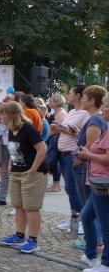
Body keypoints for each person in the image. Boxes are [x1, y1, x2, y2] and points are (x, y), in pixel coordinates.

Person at [0, 101, 48, 253]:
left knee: (31, 208)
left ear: (11, 115)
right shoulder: (11, 129)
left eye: (2, 114)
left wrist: (33, 169)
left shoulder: (28, 129)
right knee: (19, 206)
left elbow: (42, 149)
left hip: (32, 174)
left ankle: (33, 241)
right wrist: (11, 165)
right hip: (17, 172)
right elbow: (15, 150)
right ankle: (19, 235)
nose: (0, 117)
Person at [75, 91, 109, 272]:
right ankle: (90, 255)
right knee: (87, 216)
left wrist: (88, 155)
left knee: (105, 223)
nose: (103, 109)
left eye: (106, 106)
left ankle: (106, 264)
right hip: (98, 181)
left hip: (104, 182)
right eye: (103, 105)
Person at [52, 85, 89, 233]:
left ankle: (81, 220)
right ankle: (74, 218)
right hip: (64, 154)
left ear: (79, 95)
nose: (67, 95)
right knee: (70, 188)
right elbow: (67, 129)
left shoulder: (85, 114)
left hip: (73, 154)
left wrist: (65, 130)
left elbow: (82, 134)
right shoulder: (72, 111)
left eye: (70, 93)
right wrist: (60, 129)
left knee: (75, 189)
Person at [46, 93, 67, 192]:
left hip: (56, 139)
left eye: (51, 100)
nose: (49, 102)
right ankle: (55, 185)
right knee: (52, 161)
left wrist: (47, 136)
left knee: (53, 161)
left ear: (56, 102)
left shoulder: (61, 113)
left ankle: (56, 185)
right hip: (53, 139)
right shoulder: (56, 112)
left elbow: (61, 129)